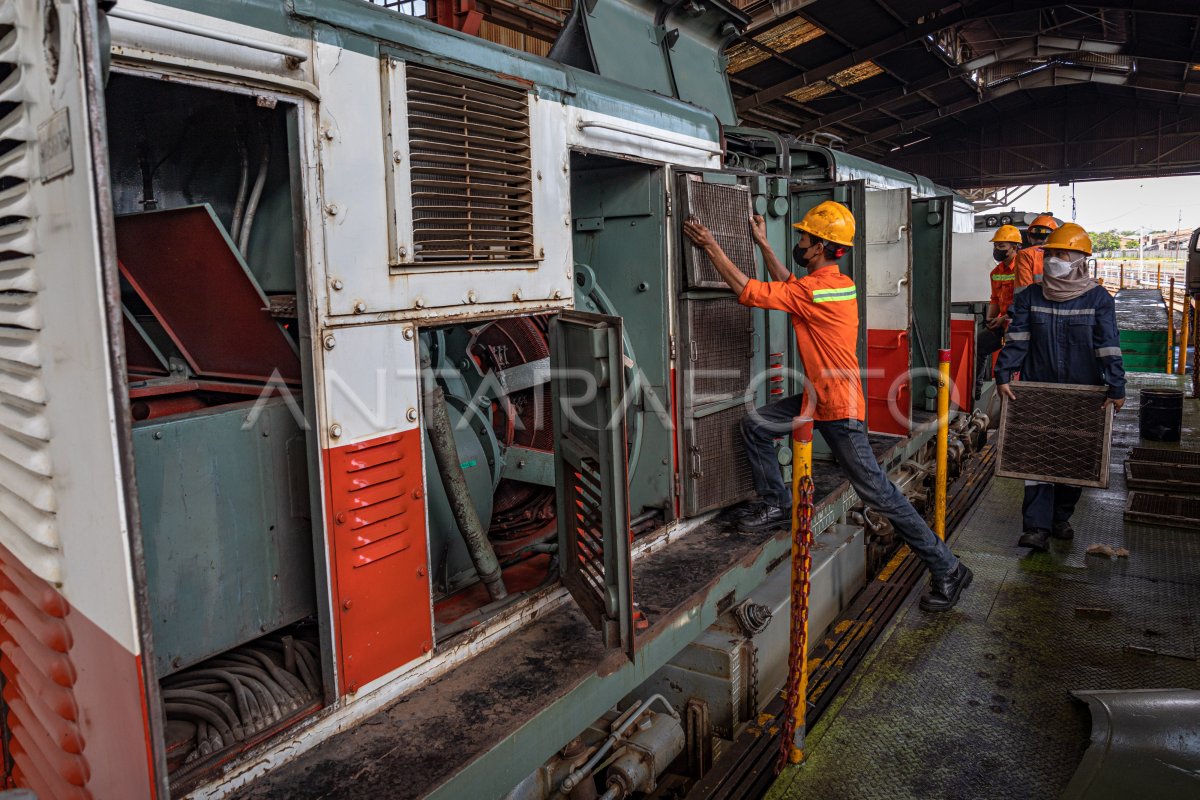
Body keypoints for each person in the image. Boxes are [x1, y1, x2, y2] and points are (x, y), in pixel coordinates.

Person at [682, 202, 972, 612]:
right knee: (756, 426)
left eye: (803, 238)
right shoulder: (832, 283)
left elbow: (748, 291)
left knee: (880, 495)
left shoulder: (814, 290)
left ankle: (948, 568)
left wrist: (710, 245)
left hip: (836, 406)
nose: (799, 243)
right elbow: (789, 284)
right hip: (819, 398)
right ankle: (777, 503)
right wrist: (763, 244)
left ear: (819, 247)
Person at [995, 223, 1125, 552]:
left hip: (1085, 392)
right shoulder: (1029, 297)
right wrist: (1003, 374)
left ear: (1081, 259)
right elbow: (1018, 339)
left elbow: (1108, 345)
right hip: (1039, 389)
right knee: (1037, 458)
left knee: (1075, 456)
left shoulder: (1099, 299)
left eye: (1060, 254)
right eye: (1049, 253)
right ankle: (1036, 527)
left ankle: (1060, 518)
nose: (1053, 259)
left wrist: (1116, 386)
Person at [976, 225, 1022, 397]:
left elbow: (1023, 301)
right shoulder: (995, 272)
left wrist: (1004, 319)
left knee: (1014, 356)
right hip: (1002, 321)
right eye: (995, 246)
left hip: (1018, 322)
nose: (996, 249)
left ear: (1015, 247)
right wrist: (990, 319)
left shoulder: (1022, 269)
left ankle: (1015, 390)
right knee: (979, 345)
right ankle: (976, 390)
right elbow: (995, 298)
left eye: (1001, 246)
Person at [1013, 214, 1059, 290]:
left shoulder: (1025, 254)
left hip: (1034, 300)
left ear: (1028, 237)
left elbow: (1023, 288)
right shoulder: (1061, 254)